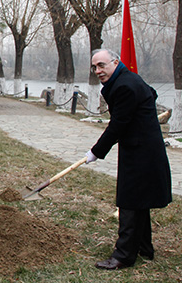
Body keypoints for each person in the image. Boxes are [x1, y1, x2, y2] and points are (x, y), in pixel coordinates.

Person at [85, 48, 172, 270]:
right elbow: (151, 93)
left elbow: (118, 125)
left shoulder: (125, 85)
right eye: (95, 67)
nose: (98, 70)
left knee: (129, 202)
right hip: (141, 147)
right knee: (139, 199)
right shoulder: (129, 79)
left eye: (102, 65)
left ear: (115, 62)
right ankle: (144, 248)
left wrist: (96, 151)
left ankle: (123, 256)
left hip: (141, 151)